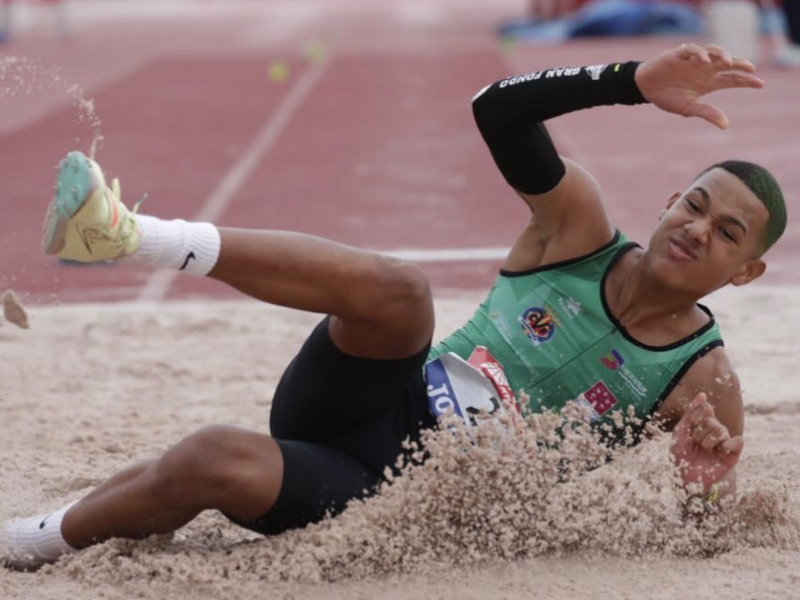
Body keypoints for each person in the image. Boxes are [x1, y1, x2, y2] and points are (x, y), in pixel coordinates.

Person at [3, 42, 785, 569]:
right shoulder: (577, 231)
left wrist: (703, 480)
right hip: (367, 394)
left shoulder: (701, 379)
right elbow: (495, 111)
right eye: (694, 204)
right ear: (669, 198)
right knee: (404, 294)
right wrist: (627, 84)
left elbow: (706, 539)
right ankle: (126, 233)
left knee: (208, 458)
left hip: (389, 496)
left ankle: (30, 541)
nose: (694, 230)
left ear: (744, 273)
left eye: (725, 232)